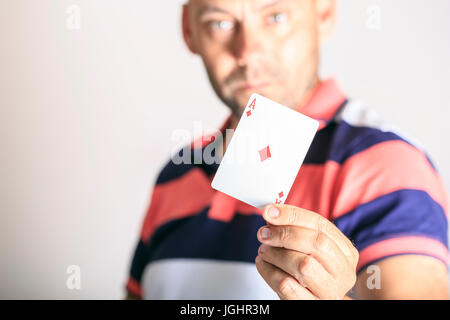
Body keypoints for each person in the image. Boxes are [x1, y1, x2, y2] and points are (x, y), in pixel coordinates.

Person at [125, 0, 449, 299]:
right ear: (189, 30)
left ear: (323, 12)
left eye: (275, 17)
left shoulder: (386, 165)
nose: (248, 51)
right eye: (219, 23)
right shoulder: (177, 171)